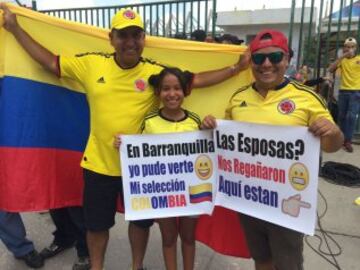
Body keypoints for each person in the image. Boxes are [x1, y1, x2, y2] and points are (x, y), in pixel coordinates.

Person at [0, 4, 248, 270]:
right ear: (112, 38)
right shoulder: (92, 64)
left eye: (136, 35)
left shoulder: (155, 73)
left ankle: (136, 266)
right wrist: (15, 28)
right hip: (99, 163)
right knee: (97, 226)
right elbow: (50, 62)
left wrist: (236, 69)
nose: (130, 42)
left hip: (142, 169)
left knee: (140, 223)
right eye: (123, 35)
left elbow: (195, 81)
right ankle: (97, 267)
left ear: (144, 39)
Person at [202, 29, 344, 270]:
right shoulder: (238, 98)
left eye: (275, 57)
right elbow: (227, 144)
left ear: (287, 59)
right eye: (258, 58)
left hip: (288, 202)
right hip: (249, 198)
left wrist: (333, 132)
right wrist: (210, 127)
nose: (266, 64)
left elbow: (333, 146)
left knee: (288, 264)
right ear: (251, 63)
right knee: (261, 258)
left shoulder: (307, 97)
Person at [115, 67, 209, 270]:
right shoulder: (149, 122)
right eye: (166, 89)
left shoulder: (196, 122)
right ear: (158, 93)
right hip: (162, 193)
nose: (172, 94)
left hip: (192, 191)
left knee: (188, 237)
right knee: (168, 238)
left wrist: (210, 129)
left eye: (177, 88)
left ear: (185, 91)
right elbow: (137, 154)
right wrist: (123, 146)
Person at [328, 37, 360, 153]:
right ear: (344, 48)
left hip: (356, 92)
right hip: (343, 92)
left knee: (351, 117)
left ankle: (348, 141)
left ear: (355, 48)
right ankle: (340, 139)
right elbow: (331, 69)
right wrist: (342, 56)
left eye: (352, 46)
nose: (349, 49)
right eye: (347, 46)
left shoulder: (359, 59)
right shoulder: (342, 60)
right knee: (341, 116)